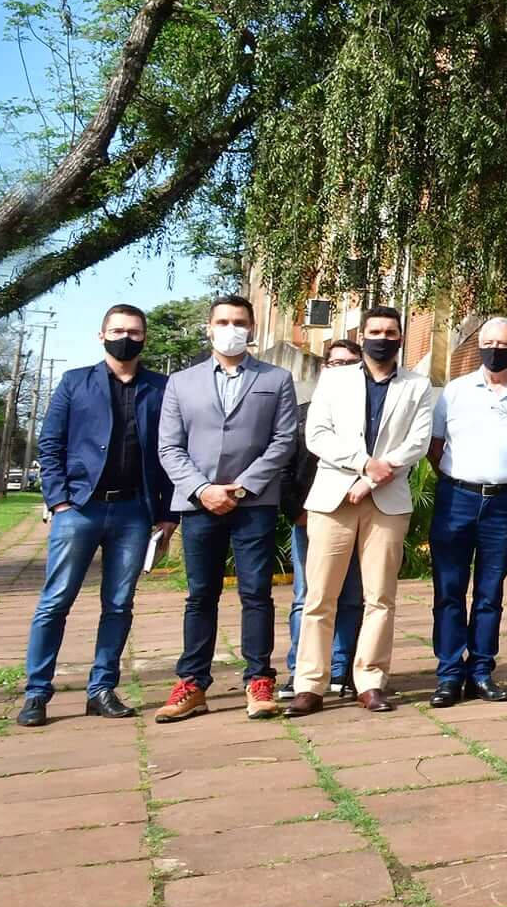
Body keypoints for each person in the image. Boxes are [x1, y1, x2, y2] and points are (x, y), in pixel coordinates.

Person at [18, 305, 173, 727]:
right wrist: (59, 501)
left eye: (135, 331)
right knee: (55, 602)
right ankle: (36, 692)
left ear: (145, 337)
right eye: (118, 330)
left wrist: (166, 514)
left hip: (133, 512)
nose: (127, 337)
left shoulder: (161, 388)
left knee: (119, 605)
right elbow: (50, 444)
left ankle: (101, 689)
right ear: (100, 334)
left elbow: (170, 453)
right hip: (79, 509)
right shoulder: (75, 383)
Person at [155, 294, 300, 723]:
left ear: (252, 329)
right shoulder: (182, 382)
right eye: (223, 321)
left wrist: (241, 487)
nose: (231, 328)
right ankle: (193, 683)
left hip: (253, 502)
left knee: (256, 593)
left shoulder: (276, 379)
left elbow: (283, 441)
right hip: (198, 504)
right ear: (209, 327)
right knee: (201, 595)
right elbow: (169, 446)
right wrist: (203, 489)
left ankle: (259, 679)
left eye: (240, 321)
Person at [287, 306, 432, 717]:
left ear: (401, 338)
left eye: (390, 332)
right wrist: (362, 464)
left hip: (386, 500)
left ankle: (370, 681)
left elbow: (418, 442)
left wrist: (372, 479)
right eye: (375, 331)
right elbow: (316, 434)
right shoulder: (335, 379)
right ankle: (310, 684)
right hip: (334, 496)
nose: (382, 338)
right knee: (319, 596)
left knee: (380, 597)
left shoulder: (417, 386)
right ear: (362, 334)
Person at [425, 316, 507, 708]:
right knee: (449, 591)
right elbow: (435, 444)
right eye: (488, 343)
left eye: (503, 344)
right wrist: (460, 477)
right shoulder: (455, 392)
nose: (495, 350)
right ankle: (448, 674)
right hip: (456, 498)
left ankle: (481, 671)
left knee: (490, 593)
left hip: (506, 502)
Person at [286, 339, 364, 702]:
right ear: (323, 368)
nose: (343, 369)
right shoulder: (300, 411)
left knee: (351, 596)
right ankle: (300, 672)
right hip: (307, 516)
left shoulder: (368, 415)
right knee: (307, 596)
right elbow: (284, 465)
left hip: (357, 512)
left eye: (351, 363)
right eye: (335, 363)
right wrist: (295, 510)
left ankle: (340, 670)